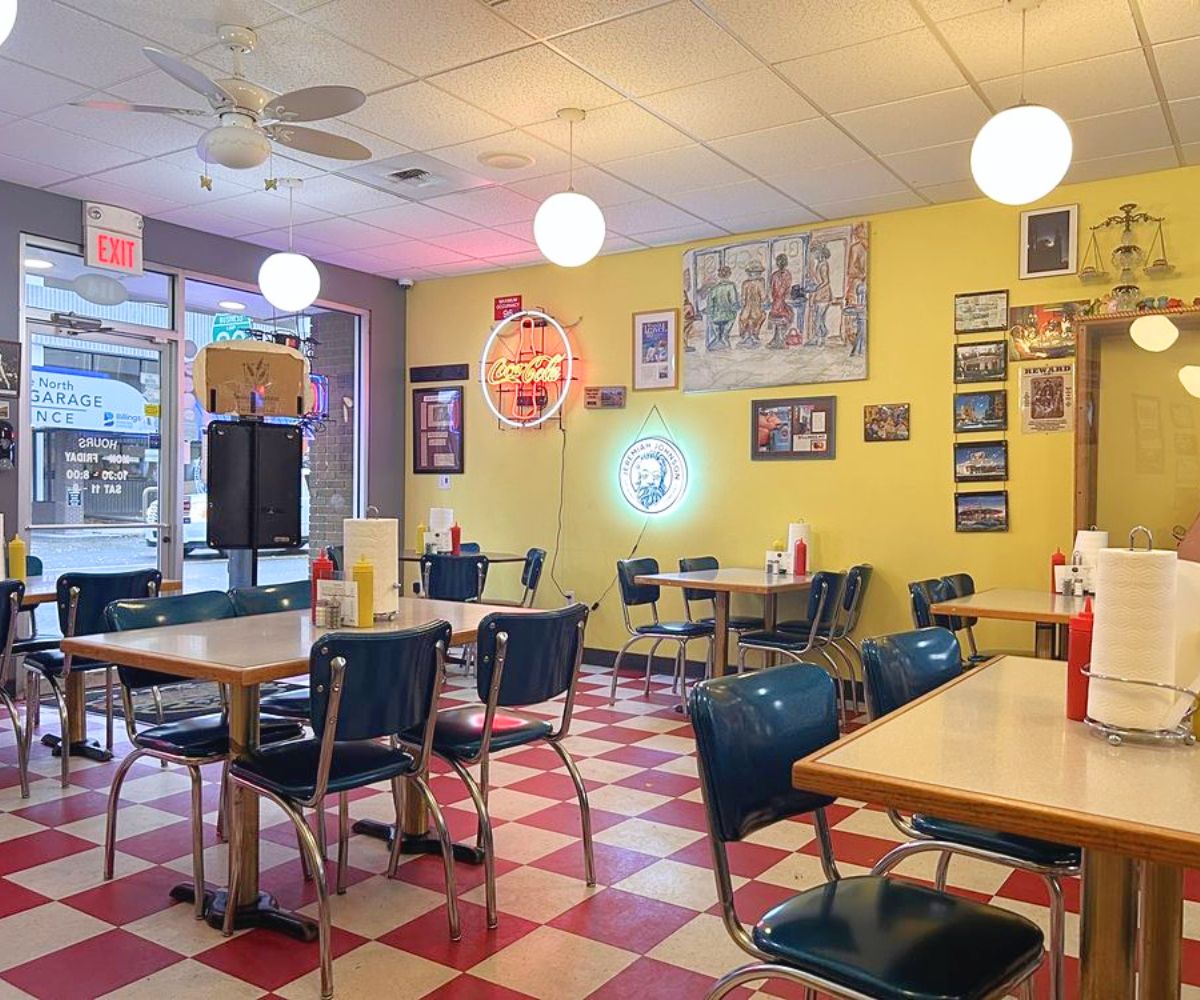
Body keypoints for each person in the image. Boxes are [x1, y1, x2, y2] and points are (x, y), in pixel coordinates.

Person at [705, 265, 739, 351]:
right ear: (729, 274)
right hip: (728, 315)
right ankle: (724, 340)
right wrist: (736, 307)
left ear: (719, 275)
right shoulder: (731, 286)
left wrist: (711, 314)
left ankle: (718, 340)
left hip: (716, 316)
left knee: (718, 328)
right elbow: (734, 301)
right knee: (727, 326)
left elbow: (710, 304)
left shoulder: (714, 288)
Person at [737, 261, 767, 348]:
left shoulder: (745, 283)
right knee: (763, 316)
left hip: (746, 312)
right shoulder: (759, 284)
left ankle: (746, 335)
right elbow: (763, 297)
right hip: (756, 311)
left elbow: (742, 299)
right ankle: (754, 335)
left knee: (743, 319)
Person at [767, 253, 793, 349]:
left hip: (777, 302)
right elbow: (787, 289)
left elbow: (772, 289)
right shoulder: (787, 274)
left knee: (782, 317)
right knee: (788, 315)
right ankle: (779, 340)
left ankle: (778, 339)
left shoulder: (775, 275)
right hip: (780, 302)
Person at [809, 244, 833, 346]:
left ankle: (821, 337)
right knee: (818, 318)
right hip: (819, 294)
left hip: (824, 295)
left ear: (820, 253)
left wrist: (815, 288)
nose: (814, 255)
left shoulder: (823, 265)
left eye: (815, 253)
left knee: (818, 318)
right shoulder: (820, 264)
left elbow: (826, 281)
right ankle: (820, 336)